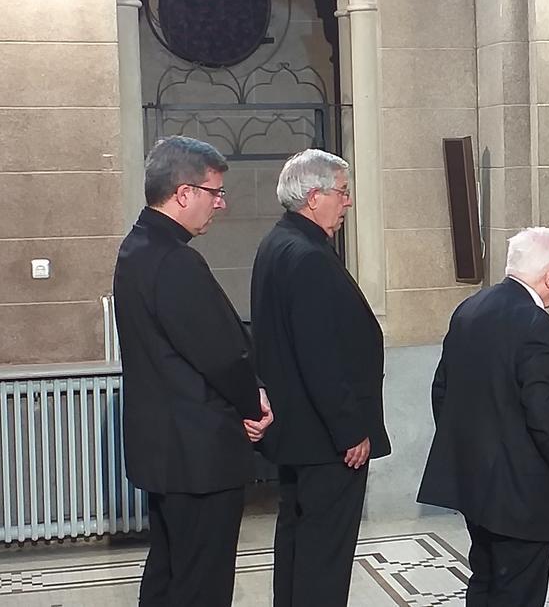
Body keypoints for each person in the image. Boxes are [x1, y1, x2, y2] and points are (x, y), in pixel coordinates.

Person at [113, 135, 273, 606]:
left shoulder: (137, 247)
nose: (220, 205)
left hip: (166, 450)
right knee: (201, 582)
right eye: (214, 192)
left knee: (168, 572)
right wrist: (253, 403)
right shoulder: (174, 260)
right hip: (199, 453)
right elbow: (221, 354)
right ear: (184, 193)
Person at [417, 227, 549, 606]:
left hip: (476, 485)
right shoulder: (535, 325)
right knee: (518, 593)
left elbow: (442, 390)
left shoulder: (471, 308)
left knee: (485, 582)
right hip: (520, 494)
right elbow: (545, 413)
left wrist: (471, 451)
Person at [250, 149, 390, 607]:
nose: (347, 203)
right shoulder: (306, 255)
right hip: (327, 439)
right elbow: (320, 355)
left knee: (298, 542)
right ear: (314, 197)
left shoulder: (279, 243)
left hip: (300, 434)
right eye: (342, 192)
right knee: (324, 555)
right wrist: (350, 428)